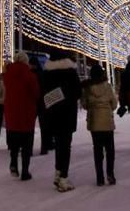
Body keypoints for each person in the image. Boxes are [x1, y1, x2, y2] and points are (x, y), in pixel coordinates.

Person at [41, 49, 82, 192]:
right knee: (66, 145)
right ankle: (63, 178)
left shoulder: (46, 73)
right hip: (67, 114)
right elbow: (78, 92)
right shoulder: (70, 71)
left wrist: (55, 98)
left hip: (53, 115)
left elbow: (43, 94)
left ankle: (58, 174)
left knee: (59, 144)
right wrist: (66, 96)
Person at [3, 51, 40, 181]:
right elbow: (36, 93)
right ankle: (25, 171)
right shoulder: (30, 76)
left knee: (13, 141)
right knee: (26, 144)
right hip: (26, 114)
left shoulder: (7, 75)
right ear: (26, 61)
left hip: (11, 113)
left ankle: (13, 162)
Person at [81, 64, 116, 186]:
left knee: (97, 150)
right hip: (107, 121)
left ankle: (100, 177)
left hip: (94, 122)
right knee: (110, 149)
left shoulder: (87, 88)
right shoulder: (108, 86)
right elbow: (114, 104)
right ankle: (110, 174)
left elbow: (84, 104)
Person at [30, 55, 54, 155]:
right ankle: (45, 147)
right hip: (43, 103)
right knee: (44, 127)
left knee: (30, 127)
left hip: (32, 103)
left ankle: (28, 149)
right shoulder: (43, 74)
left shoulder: (29, 75)